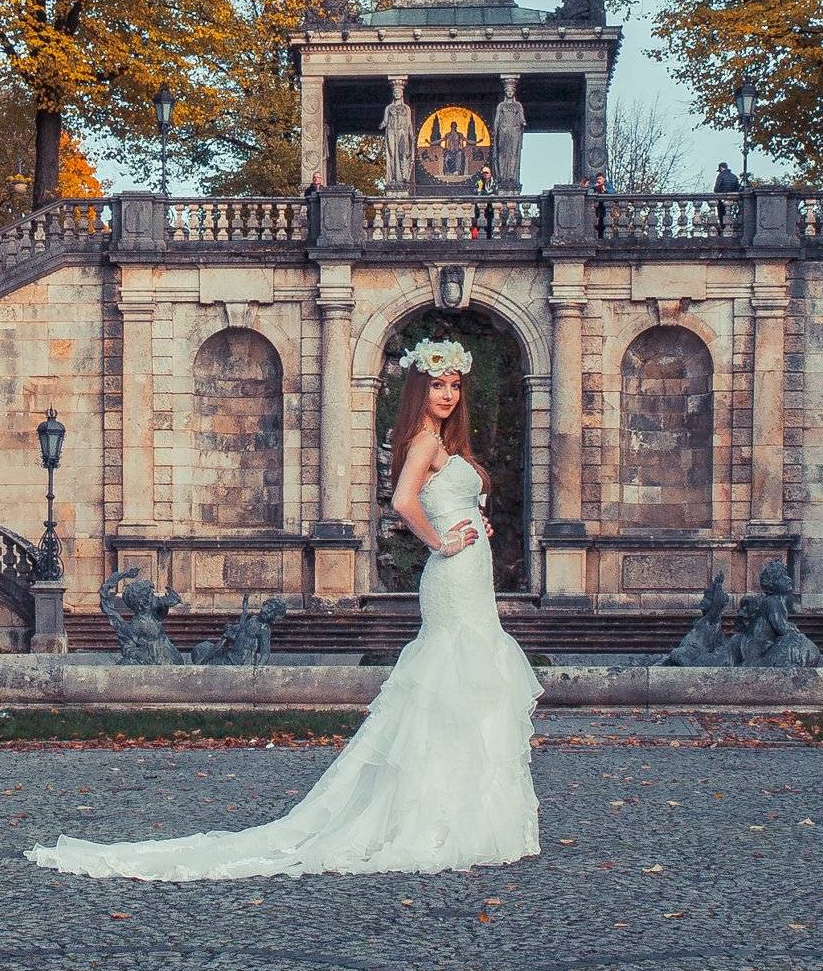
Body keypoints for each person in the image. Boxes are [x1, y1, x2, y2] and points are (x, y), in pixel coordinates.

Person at [27, 340, 540, 880]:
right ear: (419, 390)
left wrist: (475, 525)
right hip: (453, 578)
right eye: (437, 385)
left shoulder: (444, 442)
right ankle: (439, 819)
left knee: (464, 686)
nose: (447, 395)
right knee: (451, 681)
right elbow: (403, 502)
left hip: (469, 578)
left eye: (454, 386)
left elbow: (444, 499)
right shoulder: (422, 441)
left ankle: (461, 814)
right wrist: (441, 543)